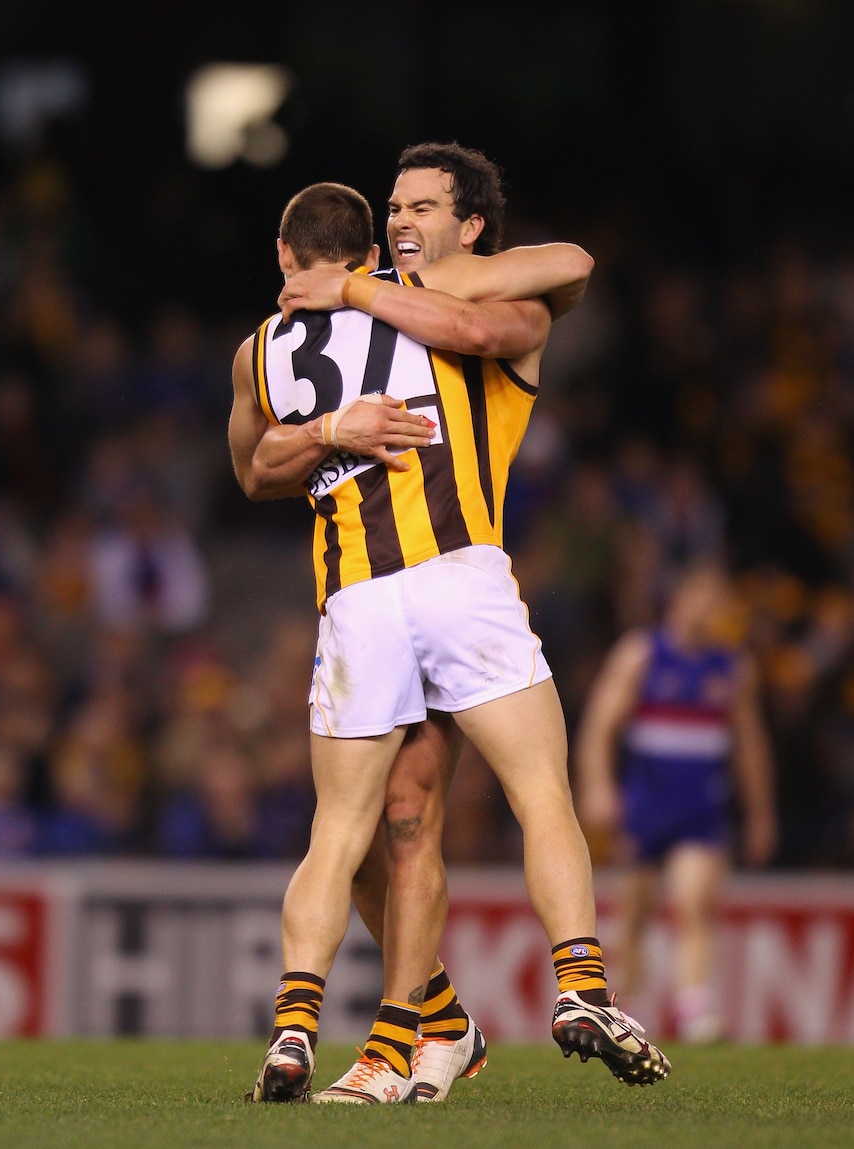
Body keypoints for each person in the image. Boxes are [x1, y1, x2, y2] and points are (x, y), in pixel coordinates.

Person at [229, 150, 669, 1104]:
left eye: (423, 205)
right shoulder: (330, 321)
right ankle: (445, 1025)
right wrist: (333, 427)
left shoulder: (433, 295)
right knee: (403, 822)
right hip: (416, 592)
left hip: (405, 589)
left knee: (371, 825)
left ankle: (378, 1031)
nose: (403, 221)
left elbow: (549, 277)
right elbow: (257, 467)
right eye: (392, 207)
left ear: (472, 225)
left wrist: (351, 292)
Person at [575, 560, 777, 1042]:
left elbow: (750, 745)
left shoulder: (731, 667)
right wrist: (598, 786)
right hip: (646, 803)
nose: (715, 609)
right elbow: (599, 726)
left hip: (701, 806)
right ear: (681, 600)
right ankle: (624, 1008)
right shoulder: (642, 655)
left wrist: (760, 813)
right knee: (636, 913)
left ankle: (694, 1007)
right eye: (706, 598)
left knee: (694, 903)